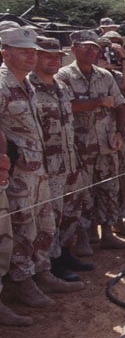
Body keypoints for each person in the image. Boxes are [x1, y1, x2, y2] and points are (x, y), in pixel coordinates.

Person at [0, 27, 84, 310]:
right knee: (21, 229)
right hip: (16, 176)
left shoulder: (27, 86)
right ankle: (23, 284)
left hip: (41, 171)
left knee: (43, 227)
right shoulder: (2, 86)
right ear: (5, 54)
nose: (30, 56)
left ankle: (42, 273)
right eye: (24, 51)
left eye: (32, 51)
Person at [55, 29, 125, 251]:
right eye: (84, 46)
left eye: (93, 47)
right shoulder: (63, 76)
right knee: (83, 194)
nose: (90, 51)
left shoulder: (105, 76)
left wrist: (119, 132)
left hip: (106, 144)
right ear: (73, 49)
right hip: (80, 146)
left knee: (109, 189)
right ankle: (85, 237)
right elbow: (68, 106)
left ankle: (107, 232)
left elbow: (119, 104)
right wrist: (98, 101)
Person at [28, 36, 94, 280]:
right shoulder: (29, 88)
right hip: (47, 167)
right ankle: (51, 264)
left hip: (69, 162)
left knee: (70, 211)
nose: (53, 60)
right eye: (46, 55)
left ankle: (65, 253)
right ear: (35, 57)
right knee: (49, 218)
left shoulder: (61, 86)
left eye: (56, 56)